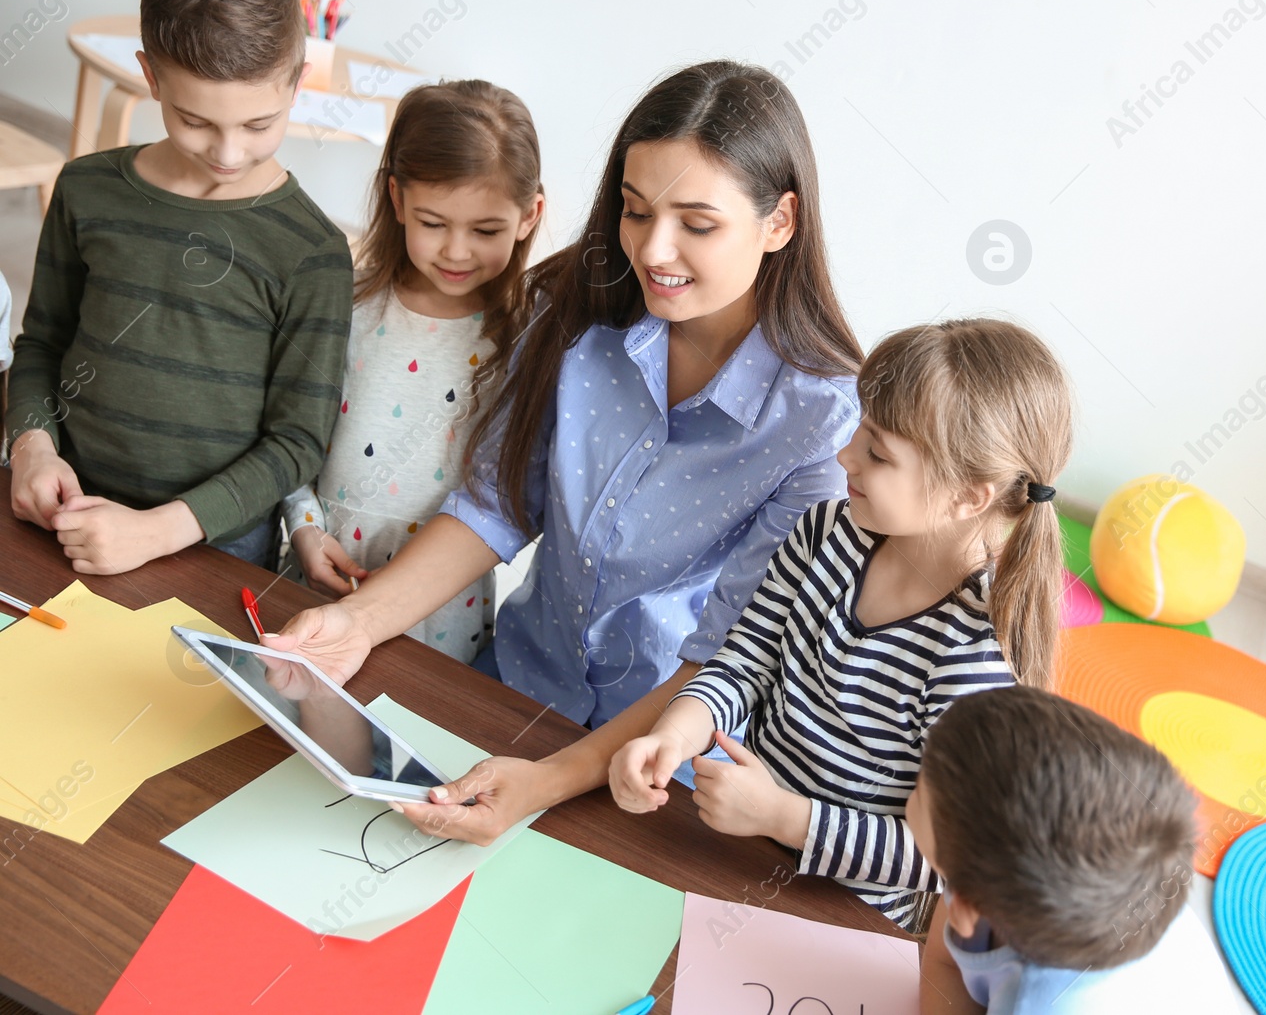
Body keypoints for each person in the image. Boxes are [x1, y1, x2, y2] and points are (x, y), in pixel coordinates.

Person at [265, 61, 862, 835]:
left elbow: (731, 648)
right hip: (513, 690)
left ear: (779, 222)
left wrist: (547, 783)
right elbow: (496, 505)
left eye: (698, 223)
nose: (655, 250)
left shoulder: (821, 424)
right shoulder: (578, 314)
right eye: (636, 211)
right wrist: (360, 623)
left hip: (663, 767)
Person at [610, 318, 1075, 926]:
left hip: (851, 910)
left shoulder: (976, 654)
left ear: (968, 497)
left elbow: (948, 859)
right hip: (738, 842)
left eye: (878, 453)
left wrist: (784, 816)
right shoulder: (825, 530)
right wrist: (674, 736)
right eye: (860, 428)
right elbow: (746, 662)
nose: (844, 455)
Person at [4, 0, 351, 572]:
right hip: (64, 515)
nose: (228, 152)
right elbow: (42, 343)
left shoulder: (313, 252)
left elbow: (297, 442)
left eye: (257, 124)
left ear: (296, 84)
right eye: (195, 120)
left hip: (212, 548)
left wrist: (159, 532)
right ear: (150, 76)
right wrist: (30, 445)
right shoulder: (85, 189)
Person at [283, 79, 544, 662]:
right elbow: (291, 429)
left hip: (444, 614)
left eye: (485, 230)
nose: (456, 251)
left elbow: (512, 495)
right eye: (433, 223)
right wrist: (302, 526)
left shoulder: (527, 339)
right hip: (319, 574)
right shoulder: (345, 304)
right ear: (398, 200)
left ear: (530, 216)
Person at [908, 687, 1197, 1013]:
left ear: (966, 908)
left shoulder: (1033, 1003)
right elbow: (943, 964)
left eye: (918, 788)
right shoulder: (992, 871)